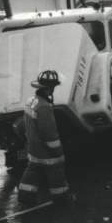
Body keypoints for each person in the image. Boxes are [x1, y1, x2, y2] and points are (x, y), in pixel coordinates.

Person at [16, 69, 70, 205]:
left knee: (32, 171)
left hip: (34, 149)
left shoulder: (31, 101)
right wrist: (58, 153)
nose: (53, 90)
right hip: (47, 153)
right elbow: (49, 134)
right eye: (53, 87)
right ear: (49, 88)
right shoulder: (44, 107)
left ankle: (25, 196)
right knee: (56, 174)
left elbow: (26, 125)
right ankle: (61, 199)